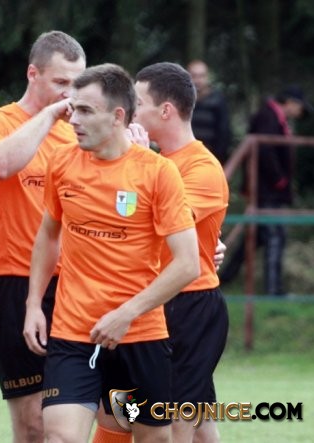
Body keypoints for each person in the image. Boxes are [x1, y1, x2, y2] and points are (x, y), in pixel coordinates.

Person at [23, 63, 200, 443]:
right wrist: (34, 304)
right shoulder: (62, 162)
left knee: (154, 438)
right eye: (73, 109)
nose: (74, 120)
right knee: (60, 437)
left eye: (86, 110)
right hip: (73, 333)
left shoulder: (158, 172)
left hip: (140, 335)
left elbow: (188, 264)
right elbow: (48, 235)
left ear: (118, 116)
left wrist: (126, 314)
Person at [92, 62, 230, 443]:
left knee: (170, 422)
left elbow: (160, 225)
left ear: (166, 110)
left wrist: (140, 164)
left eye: (138, 103)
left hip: (188, 307)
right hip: (147, 302)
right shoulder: (152, 162)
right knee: (119, 411)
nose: (129, 112)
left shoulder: (202, 168)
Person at [0, 30, 86, 442]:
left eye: (77, 84)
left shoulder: (80, 135)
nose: (70, 94)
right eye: (61, 82)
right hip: (13, 281)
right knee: (32, 423)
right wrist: (48, 117)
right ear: (33, 74)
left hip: (75, 285)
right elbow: (0, 165)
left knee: (79, 419)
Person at [220, 85, 312, 295]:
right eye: (299, 107)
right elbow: (264, 150)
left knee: (255, 238)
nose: (299, 113)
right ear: (290, 102)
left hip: (267, 189)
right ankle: (274, 291)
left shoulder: (273, 117)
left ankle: (223, 279)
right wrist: (279, 180)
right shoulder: (268, 116)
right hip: (268, 190)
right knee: (275, 236)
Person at [186, 60, 232, 164]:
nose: (198, 80)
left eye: (201, 76)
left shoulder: (218, 100)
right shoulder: (182, 101)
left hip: (211, 156)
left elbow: (224, 132)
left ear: (207, 77)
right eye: (194, 76)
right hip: (188, 155)